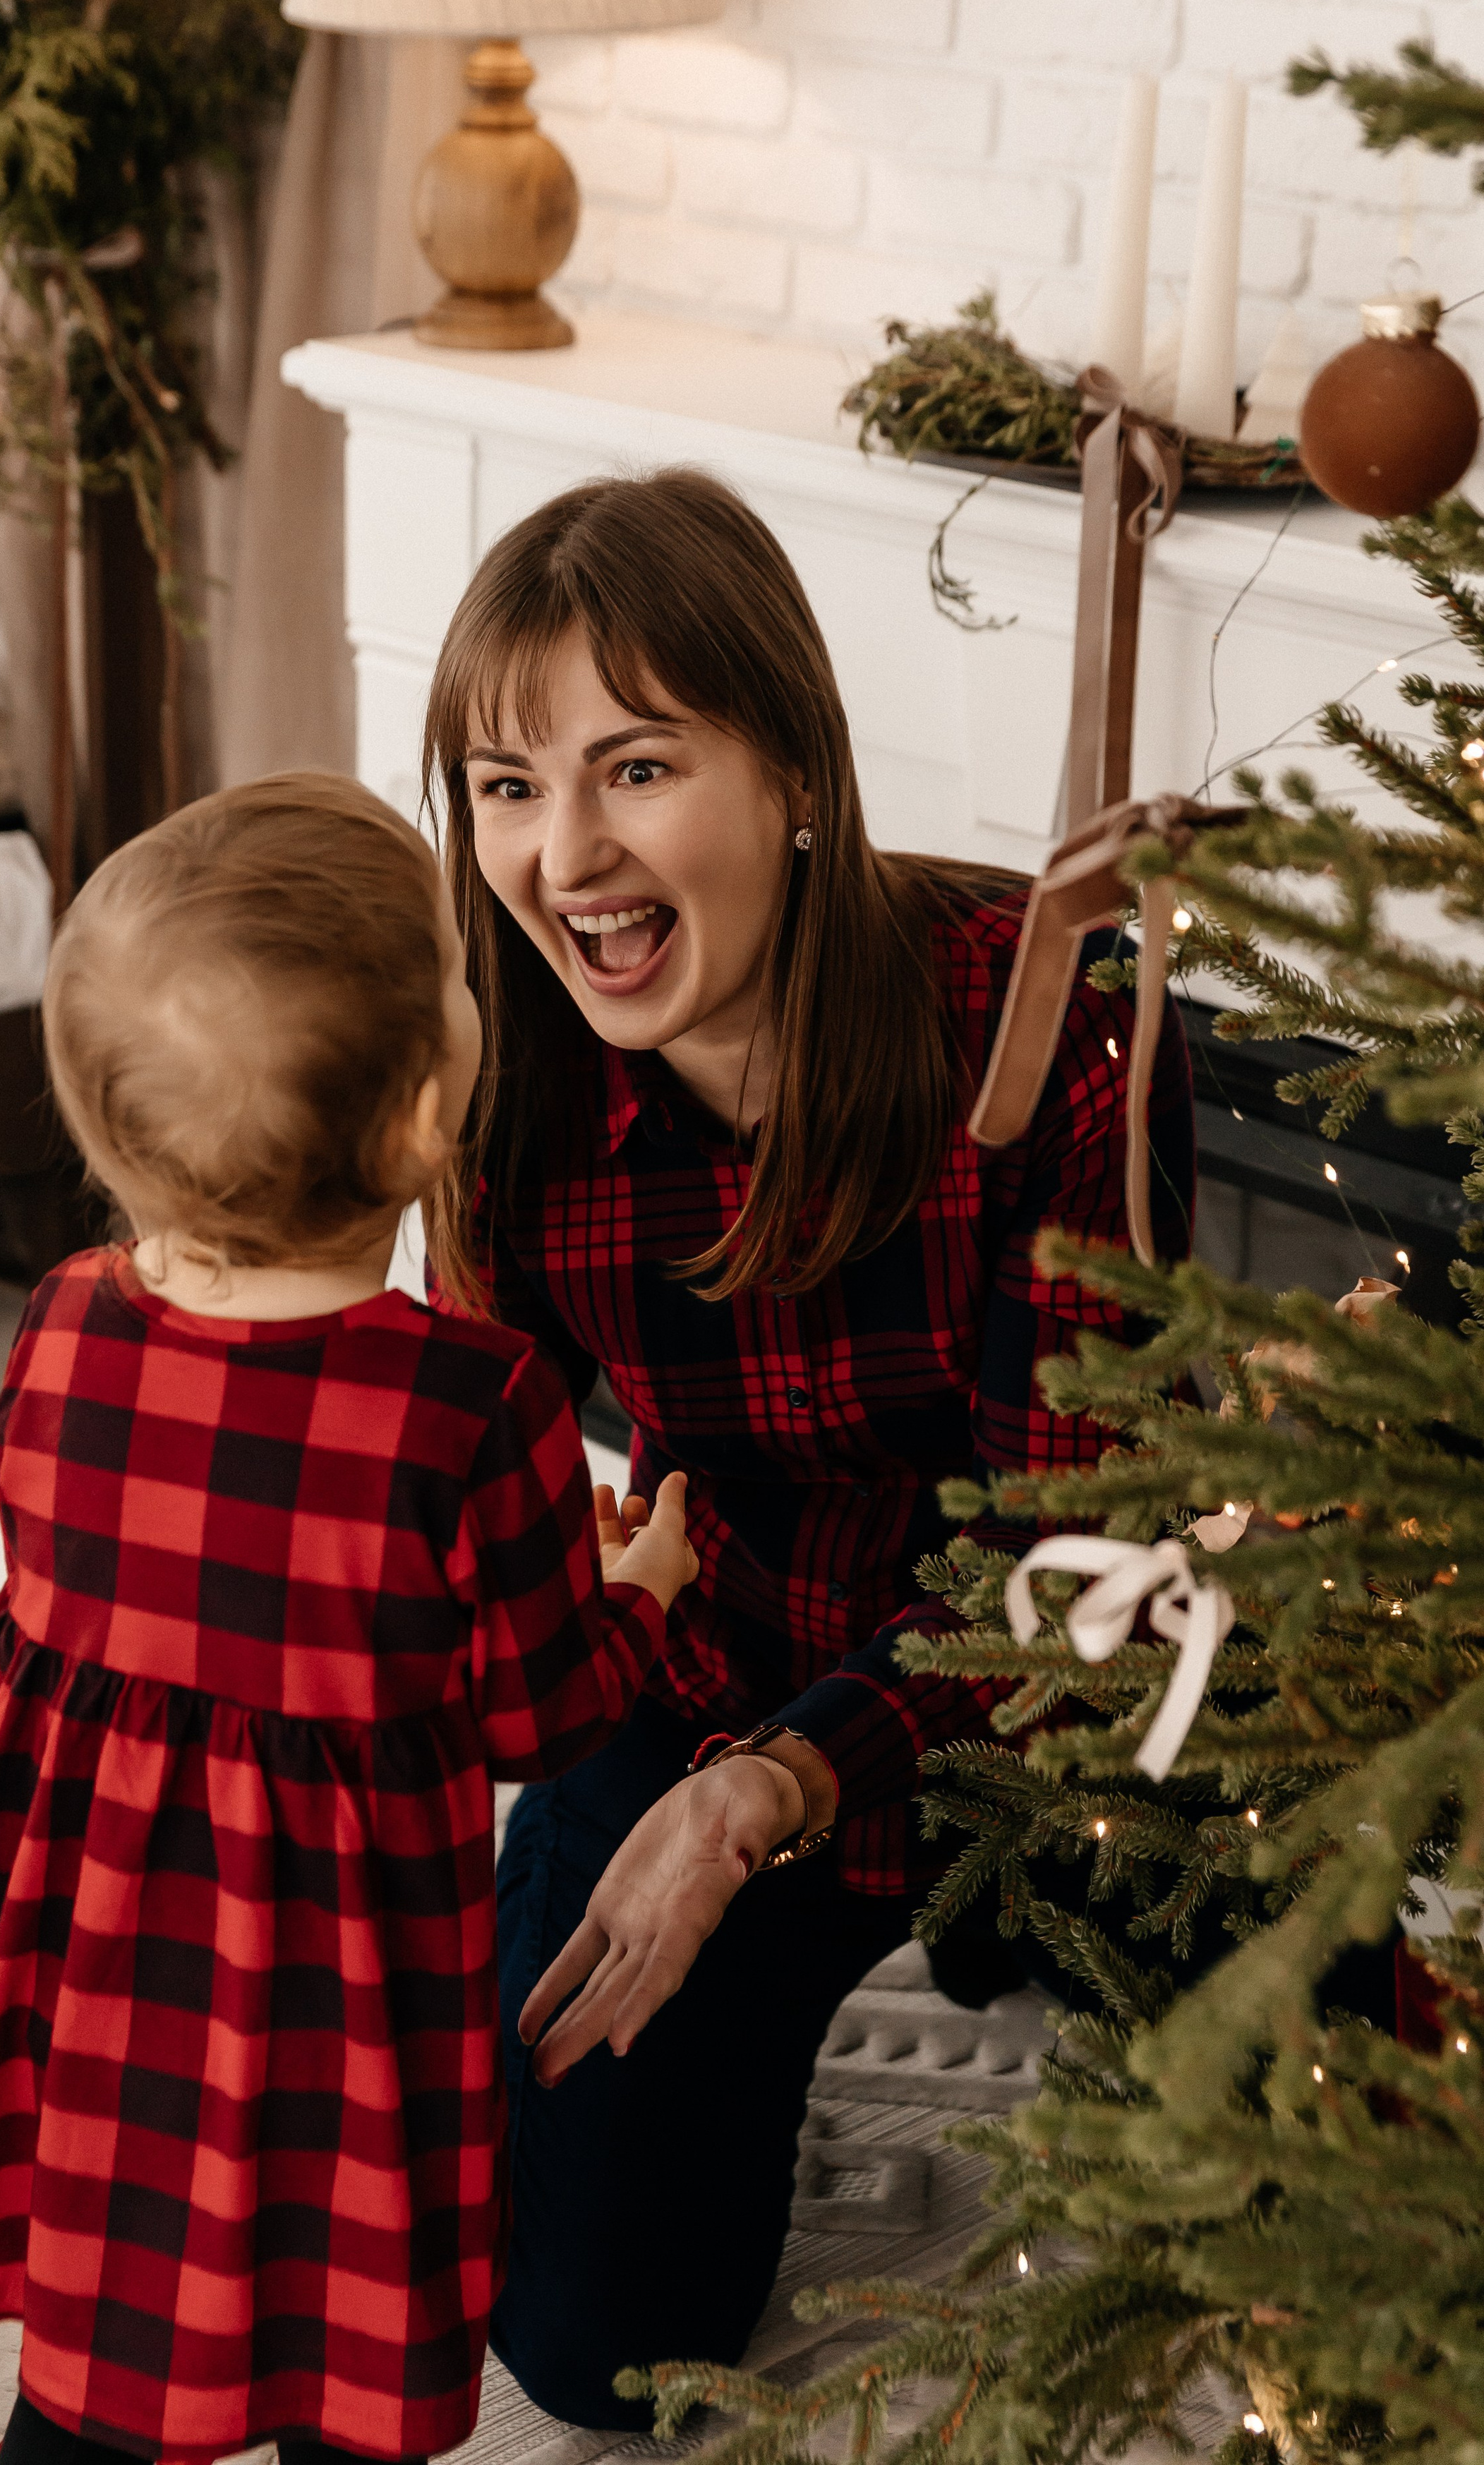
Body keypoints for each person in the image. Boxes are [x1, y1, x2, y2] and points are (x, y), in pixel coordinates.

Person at [419, 469, 1195, 2428]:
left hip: (1059, 1710)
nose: (565, 852)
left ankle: (1024, 1920)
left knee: (1323, 2178)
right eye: (508, 787)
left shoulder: (1042, 1020)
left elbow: (1058, 1558)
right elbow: (485, 1529)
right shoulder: (503, 1108)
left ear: (794, 775)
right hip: (707, 1677)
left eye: (638, 766)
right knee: (585, 2342)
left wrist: (770, 1792)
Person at [0, 774, 699, 2465]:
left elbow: (106, 1581)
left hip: (94, 1966)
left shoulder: (61, 1326)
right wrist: (637, 1595)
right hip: (332, 1989)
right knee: (335, 2313)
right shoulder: (471, 1405)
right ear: (429, 1115)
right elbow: (538, 1718)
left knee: (100, 2318)